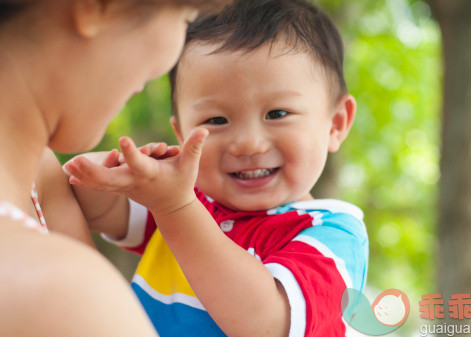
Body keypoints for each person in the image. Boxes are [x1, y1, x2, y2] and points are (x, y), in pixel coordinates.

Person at [65, 0, 369, 336]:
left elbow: (266, 324)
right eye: (217, 120)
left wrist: (175, 206)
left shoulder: (335, 237)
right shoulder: (190, 201)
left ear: (335, 124)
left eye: (277, 114)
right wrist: (116, 171)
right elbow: (92, 203)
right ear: (181, 133)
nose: (249, 144)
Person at [0, 0, 229, 335]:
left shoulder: (39, 176)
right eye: (184, 17)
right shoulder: (63, 295)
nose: (171, 59)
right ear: (100, 6)